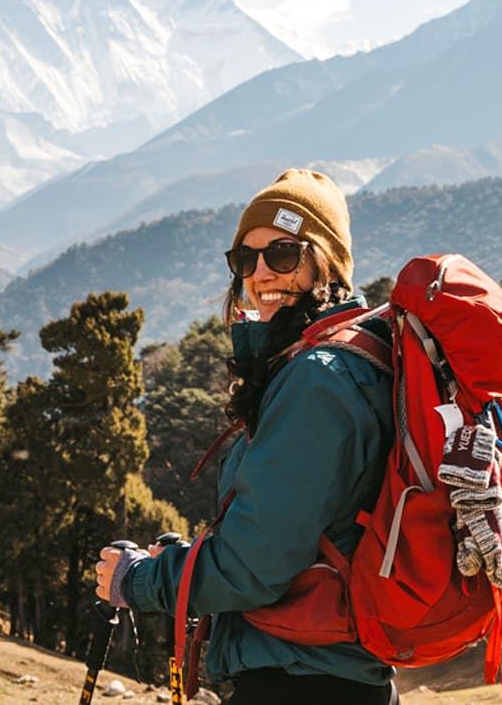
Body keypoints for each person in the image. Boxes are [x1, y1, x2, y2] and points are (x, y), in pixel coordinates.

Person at [95, 169, 398, 705]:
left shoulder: (318, 379)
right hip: (334, 677)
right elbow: (295, 539)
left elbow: (253, 568)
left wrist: (141, 580)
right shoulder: (346, 363)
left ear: (325, 261)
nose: (260, 273)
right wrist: (187, 559)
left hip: (302, 683)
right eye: (244, 259)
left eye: (283, 254)